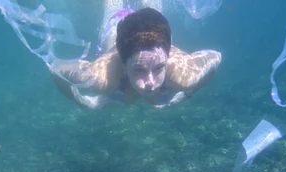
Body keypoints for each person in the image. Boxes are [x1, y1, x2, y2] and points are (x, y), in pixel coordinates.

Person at [50, 2, 222, 110]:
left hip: (153, 23)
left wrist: (186, 94)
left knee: (151, 5)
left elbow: (215, 57)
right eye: (138, 69)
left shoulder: (182, 74)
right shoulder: (102, 77)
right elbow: (56, 69)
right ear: (123, 65)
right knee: (113, 5)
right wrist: (82, 101)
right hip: (115, 25)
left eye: (159, 67)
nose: (150, 83)